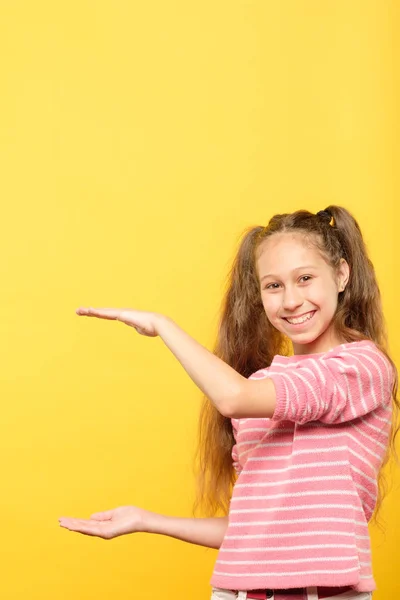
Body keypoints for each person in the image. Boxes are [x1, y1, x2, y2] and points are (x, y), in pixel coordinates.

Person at [59, 206, 398, 600]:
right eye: (273, 286)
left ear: (341, 274)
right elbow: (251, 529)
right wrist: (146, 520)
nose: (291, 300)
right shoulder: (261, 389)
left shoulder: (361, 368)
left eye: (305, 279)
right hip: (237, 593)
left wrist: (163, 325)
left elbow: (232, 398)